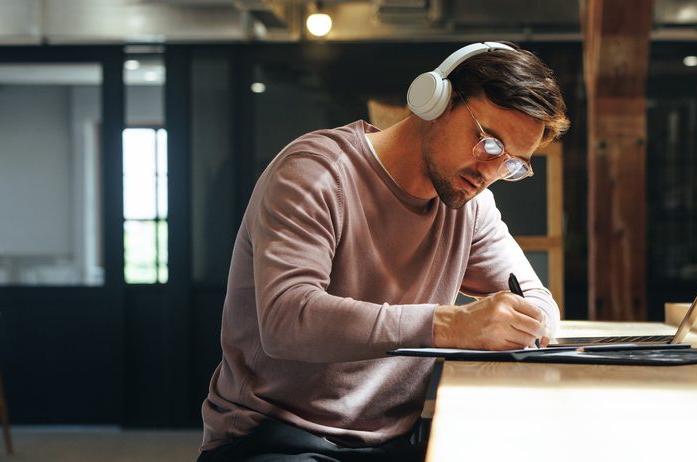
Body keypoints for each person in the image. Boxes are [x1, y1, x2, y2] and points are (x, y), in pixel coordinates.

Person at [197, 41, 570, 462]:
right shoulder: (316, 174)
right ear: (436, 100)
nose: (490, 172)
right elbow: (287, 320)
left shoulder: (470, 206)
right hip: (274, 438)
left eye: (511, 164)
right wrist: (447, 325)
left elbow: (537, 301)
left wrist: (527, 320)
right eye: (488, 143)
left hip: (388, 444)